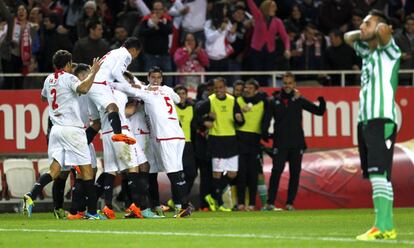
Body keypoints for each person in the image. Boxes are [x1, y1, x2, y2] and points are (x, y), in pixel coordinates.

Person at [23, 50, 105, 220]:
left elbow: (43, 98)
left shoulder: (48, 79)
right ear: (68, 64)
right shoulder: (69, 78)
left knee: (54, 170)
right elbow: (83, 88)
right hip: (72, 129)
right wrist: (93, 72)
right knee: (87, 170)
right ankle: (91, 212)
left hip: (56, 130)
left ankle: (31, 195)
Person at [344, 9, 401, 241]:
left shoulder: (390, 51)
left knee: (379, 174)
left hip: (381, 119)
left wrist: (378, 27)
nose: (362, 26)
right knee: (378, 176)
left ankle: (382, 226)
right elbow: (349, 37)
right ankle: (387, 227)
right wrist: (366, 31)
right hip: (365, 121)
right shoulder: (368, 53)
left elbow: (384, 32)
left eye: (367, 23)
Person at [114, 66, 193, 218]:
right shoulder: (167, 90)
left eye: (158, 78)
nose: (156, 80)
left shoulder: (147, 93)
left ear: (161, 78)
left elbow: (129, 89)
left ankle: (184, 206)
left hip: (165, 137)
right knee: (175, 170)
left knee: (173, 172)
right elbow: (178, 99)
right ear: (149, 78)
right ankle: (177, 205)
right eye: (153, 77)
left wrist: (111, 84)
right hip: (178, 135)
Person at [263, 72, 326, 211]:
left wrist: (322, 101)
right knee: (276, 171)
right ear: (281, 84)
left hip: (297, 142)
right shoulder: (273, 100)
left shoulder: (299, 99)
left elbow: (318, 111)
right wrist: (265, 134)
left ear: (294, 85)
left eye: (290, 83)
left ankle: (289, 203)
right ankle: (270, 203)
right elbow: (266, 120)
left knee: (295, 173)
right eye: (285, 83)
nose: (287, 86)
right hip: (280, 142)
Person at [196, 77, 245, 212]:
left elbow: (240, 121)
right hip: (216, 140)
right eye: (216, 88)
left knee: (232, 174)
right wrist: (206, 121)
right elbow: (196, 115)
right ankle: (218, 202)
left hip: (231, 140)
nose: (218, 90)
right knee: (217, 174)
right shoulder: (210, 101)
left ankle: (213, 195)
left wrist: (239, 119)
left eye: (221, 88)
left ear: (225, 88)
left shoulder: (232, 100)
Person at [86, 37, 141, 147]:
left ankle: (79, 151)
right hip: (99, 84)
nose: (135, 56)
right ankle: (118, 134)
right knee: (113, 107)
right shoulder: (126, 54)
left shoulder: (114, 52)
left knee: (97, 123)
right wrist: (128, 86)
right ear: (134, 50)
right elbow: (116, 72)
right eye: (137, 53)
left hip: (90, 85)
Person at [235, 79, 270, 211]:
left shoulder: (262, 102)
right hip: (240, 139)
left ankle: (252, 204)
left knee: (253, 174)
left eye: (250, 88)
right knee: (241, 174)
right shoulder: (238, 101)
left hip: (255, 140)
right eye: (246, 87)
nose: (247, 90)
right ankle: (241, 203)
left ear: (256, 90)